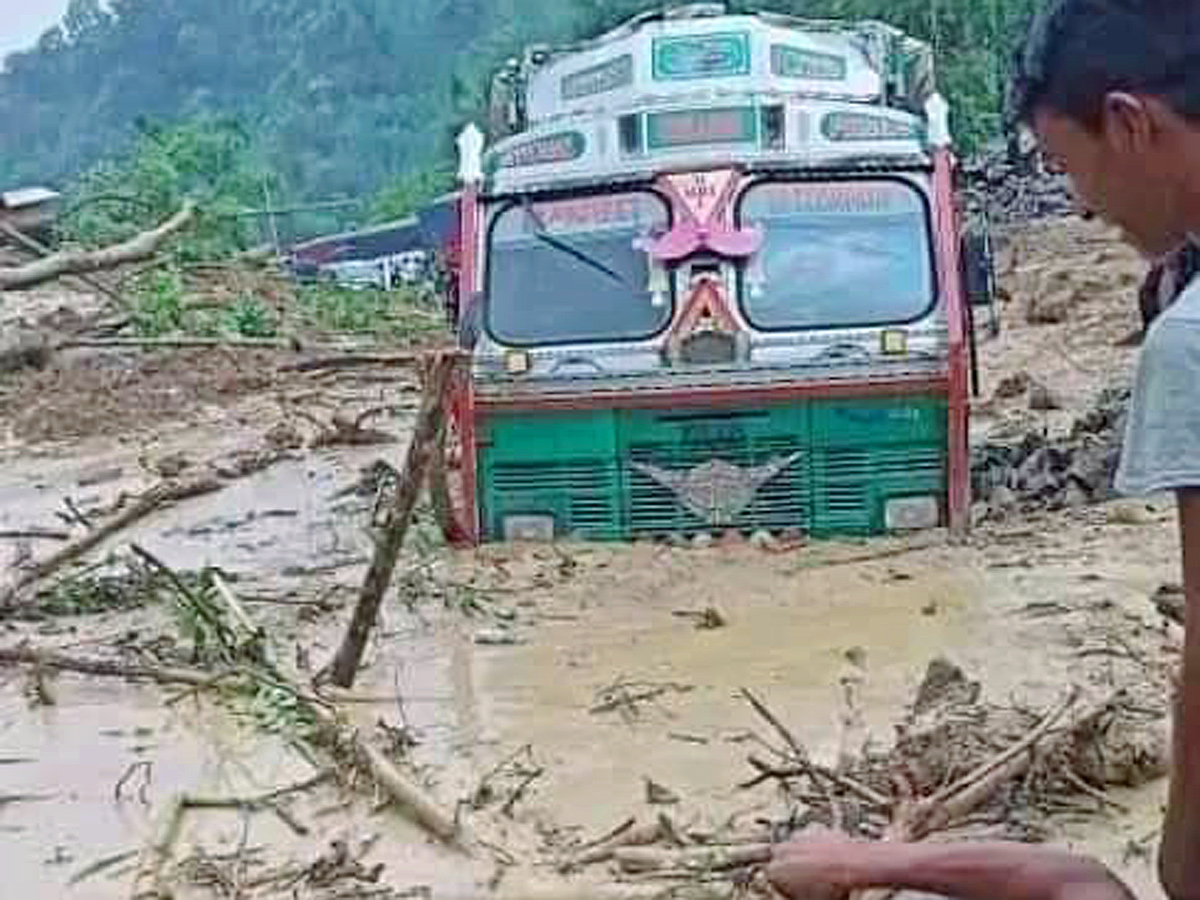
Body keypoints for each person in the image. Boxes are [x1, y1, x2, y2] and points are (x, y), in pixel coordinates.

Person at [769, 3, 1200, 900]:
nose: (1081, 203)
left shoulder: (1192, 340)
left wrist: (1183, 867)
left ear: (1129, 124)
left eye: (1068, 166)